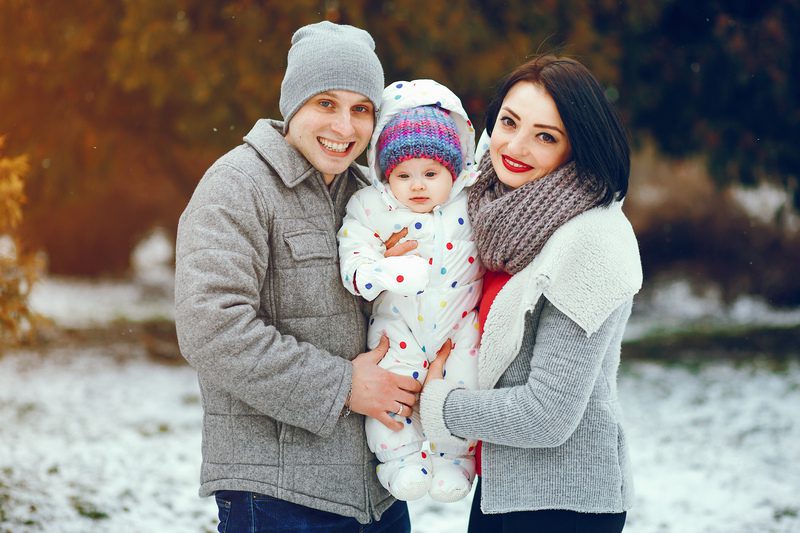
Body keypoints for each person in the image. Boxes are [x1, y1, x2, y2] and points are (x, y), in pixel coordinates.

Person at [174, 21, 421, 532]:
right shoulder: (237, 185)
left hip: (380, 494)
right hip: (277, 498)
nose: (345, 128)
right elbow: (211, 329)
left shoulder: (372, 194)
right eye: (326, 104)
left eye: (361, 110)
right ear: (293, 106)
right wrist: (344, 385)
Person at [419, 55, 643, 532]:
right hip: (503, 491)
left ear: (576, 147)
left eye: (546, 136)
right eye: (509, 122)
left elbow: (548, 414)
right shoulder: (496, 214)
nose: (515, 146)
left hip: (563, 504)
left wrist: (436, 404)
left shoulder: (592, 241)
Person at [337, 80, 483, 503]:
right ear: (386, 174)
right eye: (403, 174)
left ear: (453, 171)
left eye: (431, 173)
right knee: (391, 388)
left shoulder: (470, 202)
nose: (417, 185)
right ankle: (399, 461)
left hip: (458, 330)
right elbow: (355, 245)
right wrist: (372, 272)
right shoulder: (371, 205)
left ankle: (454, 460)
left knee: (463, 385)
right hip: (398, 328)